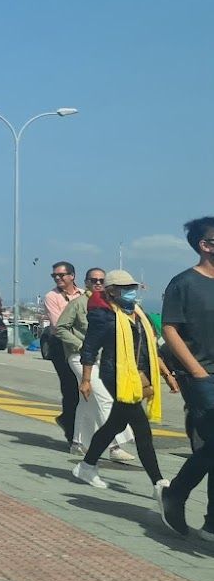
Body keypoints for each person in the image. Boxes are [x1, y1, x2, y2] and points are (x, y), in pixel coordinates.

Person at [73, 270, 168, 496]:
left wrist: (167, 375)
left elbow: (150, 346)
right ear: (112, 291)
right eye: (125, 288)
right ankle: (158, 482)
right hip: (116, 375)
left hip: (137, 375)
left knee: (114, 425)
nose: (131, 292)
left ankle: (86, 466)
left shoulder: (136, 312)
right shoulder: (103, 315)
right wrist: (86, 379)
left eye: (132, 287)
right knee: (142, 429)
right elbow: (89, 348)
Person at [158, 217, 214, 539]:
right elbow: (170, 329)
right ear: (205, 245)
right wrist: (196, 370)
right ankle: (176, 493)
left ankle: (211, 522)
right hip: (201, 375)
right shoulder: (184, 283)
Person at [58, 268, 136, 461]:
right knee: (104, 398)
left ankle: (77, 443)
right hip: (79, 356)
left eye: (102, 280)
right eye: (94, 280)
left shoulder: (109, 304)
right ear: (86, 282)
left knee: (87, 400)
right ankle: (114, 445)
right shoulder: (78, 304)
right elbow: (60, 328)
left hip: (101, 358)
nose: (98, 283)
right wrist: (80, 344)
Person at [43, 261, 87, 445]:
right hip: (60, 345)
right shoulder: (52, 296)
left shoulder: (84, 294)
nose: (58, 278)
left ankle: (82, 429)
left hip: (83, 344)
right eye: (55, 276)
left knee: (86, 389)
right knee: (70, 389)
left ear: (72, 276)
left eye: (61, 275)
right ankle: (71, 432)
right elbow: (58, 323)